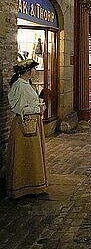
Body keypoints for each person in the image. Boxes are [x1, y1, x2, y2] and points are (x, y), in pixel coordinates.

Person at [7, 58, 48, 199]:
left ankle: (33, 183)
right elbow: (19, 108)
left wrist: (39, 106)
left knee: (33, 154)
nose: (35, 71)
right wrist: (37, 108)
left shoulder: (26, 84)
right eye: (33, 69)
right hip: (24, 126)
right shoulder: (20, 85)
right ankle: (23, 186)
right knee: (25, 155)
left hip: (32, 123)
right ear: (27, 71)